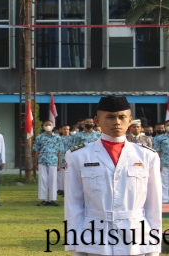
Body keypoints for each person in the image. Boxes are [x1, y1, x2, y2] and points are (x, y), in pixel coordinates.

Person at [64, 96, 162, 255]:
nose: (116, 122)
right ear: (97, 120)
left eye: (122, 117)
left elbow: (154, 205)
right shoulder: (79, 156)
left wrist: (154, 245)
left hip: (136, 237)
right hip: (94, 236)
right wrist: (74, 244)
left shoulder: (147, 156)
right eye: (110, 117)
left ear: (130, 119)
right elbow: (73, 202)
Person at [33, 120, 62, 206]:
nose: (48, 126)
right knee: (43, 180)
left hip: (53, 160)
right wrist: (35, 162)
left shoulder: (57, 137)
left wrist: (59, 164)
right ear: (43, 126)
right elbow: (36, 150)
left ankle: (52, 199)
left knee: (53, 180)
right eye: (46, 124)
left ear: (53, 126)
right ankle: (44, 199)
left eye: (50, 124)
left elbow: (59, 151)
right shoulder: (39, 137)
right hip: (42, 160)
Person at [57, 125, 72, 196]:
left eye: (67, 129)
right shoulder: (59, 139)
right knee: (61, 175)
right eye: (64, 129)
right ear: (61, 130)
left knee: (69, 175)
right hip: (61, 158)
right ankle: (61, 189)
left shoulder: (72, 138)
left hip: (70, 158)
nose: (66, 131)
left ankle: (68, 190)